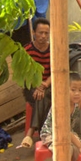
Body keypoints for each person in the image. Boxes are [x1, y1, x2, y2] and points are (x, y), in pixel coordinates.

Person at [21, 18, 51, 148]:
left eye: (46, 33)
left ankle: (30, 133)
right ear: (34, 32)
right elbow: (24, 75)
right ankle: (44, 135)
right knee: (41, 97)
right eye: (40, 33)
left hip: (48, 85)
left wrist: (44, 85)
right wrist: (37, 85)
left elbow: (55, 72)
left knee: (43, 96)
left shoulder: (53, 49)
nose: (43, 36)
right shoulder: (26, 50)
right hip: (31, 86)